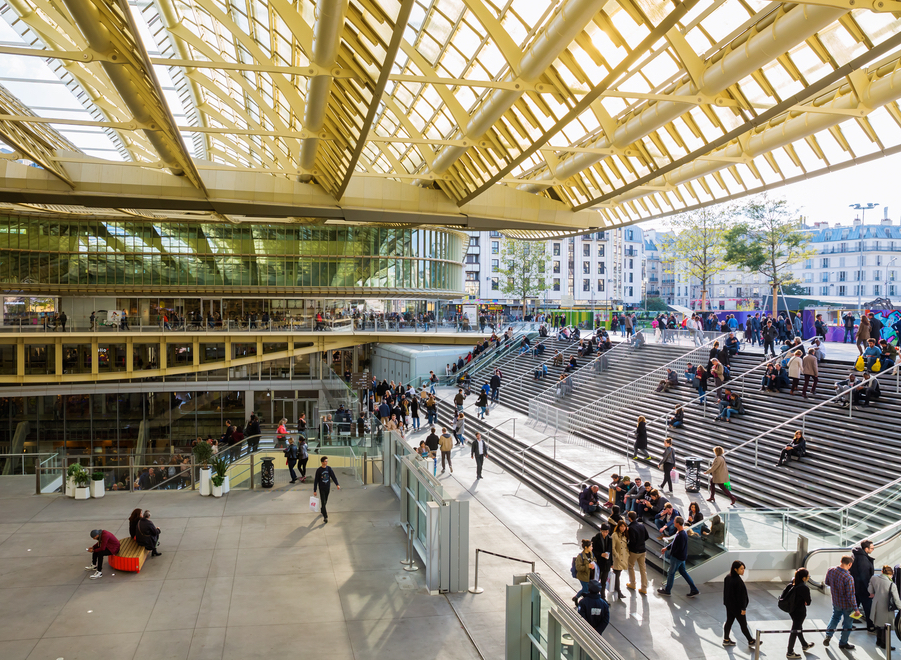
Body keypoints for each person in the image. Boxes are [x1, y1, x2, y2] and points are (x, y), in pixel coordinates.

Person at [823, 555, 861, 649]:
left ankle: (828, 635)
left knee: (835, 617)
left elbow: (827, 582)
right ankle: (843, 643)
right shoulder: (848, 577)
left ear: (841, 561)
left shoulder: (831, 570)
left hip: (836, 601)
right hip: (847, 605)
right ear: (850, 564)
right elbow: (851, 596)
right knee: (847, 624)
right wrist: (856, 609)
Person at [657, 517, 700, 597]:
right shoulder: (681, 533)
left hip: (677, 558)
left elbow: (678, 547)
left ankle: (667, 590)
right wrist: (666, 548)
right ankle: (694, 589)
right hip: (681, 557)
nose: (673, 522)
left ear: (678, 524)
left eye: (674, 521)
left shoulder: (681, 535)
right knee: (683, 572)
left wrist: (672, 553)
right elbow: (674, 543)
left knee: (671, 573)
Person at [722, 560, 758, 648]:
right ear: (735, 569)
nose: (743, 571)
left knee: (729, 622)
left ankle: (726, 639)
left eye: (743, 569)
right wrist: (743, 608)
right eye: (741, 569)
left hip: (729, 605)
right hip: (737, 607)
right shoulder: (738, 581)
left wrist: (726, 603)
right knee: (743, 624)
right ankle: (750, 640)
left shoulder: (728, 577)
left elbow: (726, 592)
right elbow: (741, 596)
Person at [868, 565, 900, 650]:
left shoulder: (873, 578)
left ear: (882, 571)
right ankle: (885, 644)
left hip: (876, 605)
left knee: (878, 624)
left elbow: (870, 591)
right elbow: (896, 599)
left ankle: (878, 641)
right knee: (886, 626)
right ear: (891, 574)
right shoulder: (891, 584)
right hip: (886, 607)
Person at [785, 568, 814, 658]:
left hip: (792, 610)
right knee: (795, 630)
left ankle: (804, 644)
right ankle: (790, 652)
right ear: (804, 578)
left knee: (798, 627)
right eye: (808, 576)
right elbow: (808, 602)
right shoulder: (804, 588)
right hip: (800, 612)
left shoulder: (792, 583)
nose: (809, 577)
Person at [851, 539, 876, 631]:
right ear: (866, 549)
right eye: (872, 548)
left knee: (855, 605)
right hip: (863, 589)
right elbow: (864, 576)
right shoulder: (863, 560)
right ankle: (871, 627)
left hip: (856, 587)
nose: (873, 550)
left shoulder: (855, 555)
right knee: (868, 608)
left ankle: (849, 622)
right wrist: (870, 590)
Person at [626, 510, 648, 595]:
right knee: (643, 569)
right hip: (643, 550)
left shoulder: (631, 528)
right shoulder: (642, 525)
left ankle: (632, 583)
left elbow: (633, 541)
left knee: (631, 566)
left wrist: (629, 546)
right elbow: (647, 536)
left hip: (634, 551)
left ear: (630, 518)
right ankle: (644, 588)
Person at [312, 456, 340, 523]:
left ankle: (322, 509)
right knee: (323, 502)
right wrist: (315, 490)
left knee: (325, 501)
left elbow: (333, 477)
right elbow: (316, 480)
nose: (326, 462)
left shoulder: (329, 469)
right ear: (322, 462)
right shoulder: (319, 470)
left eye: (327, 461)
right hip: (321, 488)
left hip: (327, 487)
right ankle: (325, 517)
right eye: (325, 461)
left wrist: (337, 484)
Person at [591, 524, 613, 599]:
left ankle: (603, 598)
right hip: (598, 563)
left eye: (607, 532)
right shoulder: (595, 539)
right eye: (604, 532)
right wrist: (601, 554)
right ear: (601, 531)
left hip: (606, 564)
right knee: (596, 581)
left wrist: (611, 563)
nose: (605, 534)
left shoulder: (610, 539)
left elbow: (611, 551)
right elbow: (592, 551)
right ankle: (595, 596)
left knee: (603, 582)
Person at [610, 520, 629, 599]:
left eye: (624, 526)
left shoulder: (624, 535)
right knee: (617, 574)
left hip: (623, 557)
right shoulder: (615, 535)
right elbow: (613, 547)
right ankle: (618, 590)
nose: (623, 528)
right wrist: (616, 555)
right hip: (617, 558)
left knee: (618, 574)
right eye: (621, 526)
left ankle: (616, 588)